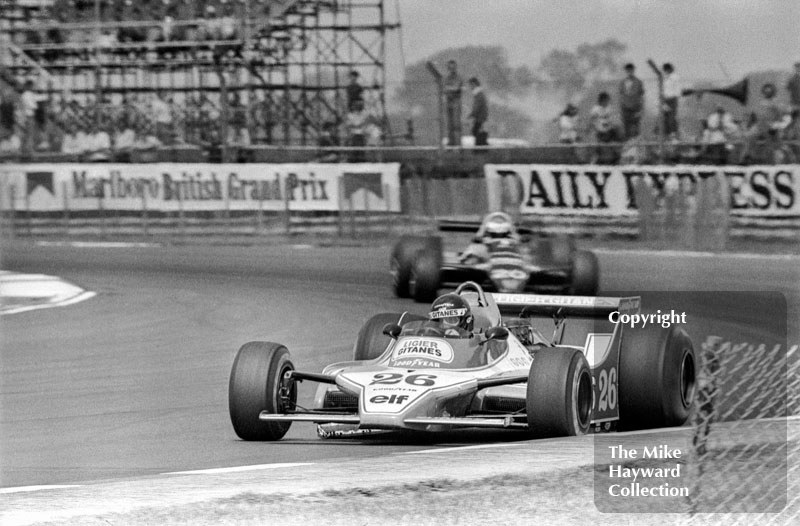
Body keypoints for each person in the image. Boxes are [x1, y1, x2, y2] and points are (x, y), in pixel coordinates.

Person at [618, 63, 645, 140]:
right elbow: (620, 96)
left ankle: (636, 146)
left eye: (631, 69)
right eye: (628, 70)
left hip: (635, 107)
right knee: (626, 128)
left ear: (633, 70)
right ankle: (628, 146)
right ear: (626, 71)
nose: (629, 71)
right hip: (625, 108)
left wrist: (641, 109)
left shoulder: (638, 82)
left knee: (635, 128)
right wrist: (621, 108)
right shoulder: (622, 82)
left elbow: (642, 96)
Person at [443, 59, 463, 146]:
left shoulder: (458, 77)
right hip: (449, 102)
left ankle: (458, 143)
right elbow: (444, 88)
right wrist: (449, 89)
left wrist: (449, 89)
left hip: (456, 102)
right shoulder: (446, 78)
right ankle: (451, 142)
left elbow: (456, 87)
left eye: (453, 67)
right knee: (450, 124)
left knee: (456, 124)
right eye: (450, 67)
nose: (451, 69)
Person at [662, 63, 682, 138]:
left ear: (670, 69)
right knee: (665, 118)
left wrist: (674, 98)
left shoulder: (675, 77)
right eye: (665, 70)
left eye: (667, 69)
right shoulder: (665, 77)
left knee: (671, 117)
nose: (666, 71)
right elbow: (663, 89)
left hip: (672, 99)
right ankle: (666, 134)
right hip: (665, 99)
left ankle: (673, 133)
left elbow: (678, 89)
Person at [467, 77, 488, 146]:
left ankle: (482, 146)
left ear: (474, 84)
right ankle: (482, 145)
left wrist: (472, 114)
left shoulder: (478, 94)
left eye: (470, 85)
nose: (470, 87)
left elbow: (477, 106)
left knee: (475, 131)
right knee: (478, 130)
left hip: (480, 116)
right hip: (481, 116)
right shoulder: (479, 94)